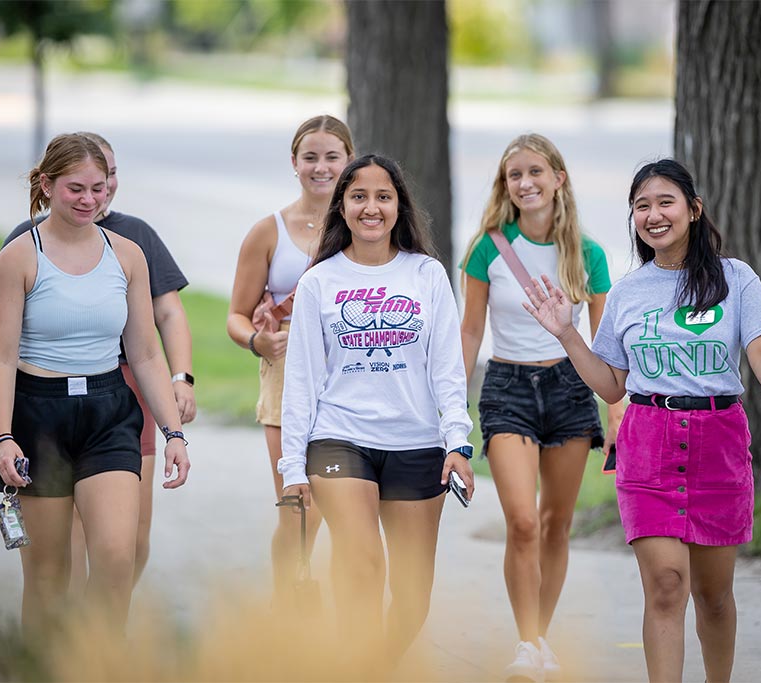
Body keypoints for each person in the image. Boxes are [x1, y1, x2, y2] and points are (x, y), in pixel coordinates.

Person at [523, 159, 761, 683]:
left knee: (714, 596)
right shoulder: (629, 292)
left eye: (664, 202)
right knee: (667, 584)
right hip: (648, 443)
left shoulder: (735, 278)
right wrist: (567, 335)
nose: (653, 215)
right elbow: (611, 385)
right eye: (641, 206)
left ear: (693, 210)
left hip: (718, 443)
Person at [0, 132, 194, 595]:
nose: (89, 199)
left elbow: (144, 352)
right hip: (39, 416)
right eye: (75, 188)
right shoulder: (18, 257)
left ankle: (101, 661)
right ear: (46, 184)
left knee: (119, 557)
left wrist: (173, 432)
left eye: (98, 188)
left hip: (109, 413)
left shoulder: (128, 255)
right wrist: (1, 437)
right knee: (48, 578)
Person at [279, 154, 475, 673]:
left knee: (412, 598)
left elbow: (448, 371)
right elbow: (301, 380)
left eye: (383, 196)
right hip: (339, 437)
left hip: (417, 442)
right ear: (341, 206)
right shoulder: (320, 281)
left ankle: (371, 668)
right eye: (359, 196)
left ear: (399, 205)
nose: (371, 207)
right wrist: (292, 467)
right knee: (364, 565)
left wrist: (458, 442)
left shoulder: (426, 274)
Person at [459, 133, 622, 682]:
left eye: (535, 172)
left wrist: (617, 412)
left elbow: (607, 347)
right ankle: (528, 642)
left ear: (559, 178)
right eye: (514, 175)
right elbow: (470, 330)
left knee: (556, 523)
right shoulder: (488, 248)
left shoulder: (589, 254)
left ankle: (540, 639)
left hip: (571, 391)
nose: (525, 183)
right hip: (506, 389)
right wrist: (452, 406)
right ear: (505, 187)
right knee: (523, 521)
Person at [226, 115, 354, 607]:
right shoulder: (268, 231)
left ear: (348, 160)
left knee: (346, 506)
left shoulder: (364, 223)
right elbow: (237, 316)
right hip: (284, 376)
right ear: (294, 164)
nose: (321, 167)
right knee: (299, 506)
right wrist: (258, 341)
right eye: (310, 157)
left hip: (349, 374)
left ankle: (350, 613)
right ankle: (292, 601)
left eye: (332, 157)